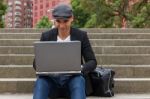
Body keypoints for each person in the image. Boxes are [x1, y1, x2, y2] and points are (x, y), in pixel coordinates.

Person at [33, 4, 97, 99]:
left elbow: (92, 62)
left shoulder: (81, 36)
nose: (62, 26)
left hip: (73, 80)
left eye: (65, 21)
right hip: (51, 81)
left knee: (78, 80)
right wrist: (41, 63)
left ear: (72, 18)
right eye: (58, 21)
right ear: (54, 20)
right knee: (41, 81)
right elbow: (35, 64)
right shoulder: (46, 36)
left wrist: (80, 68)